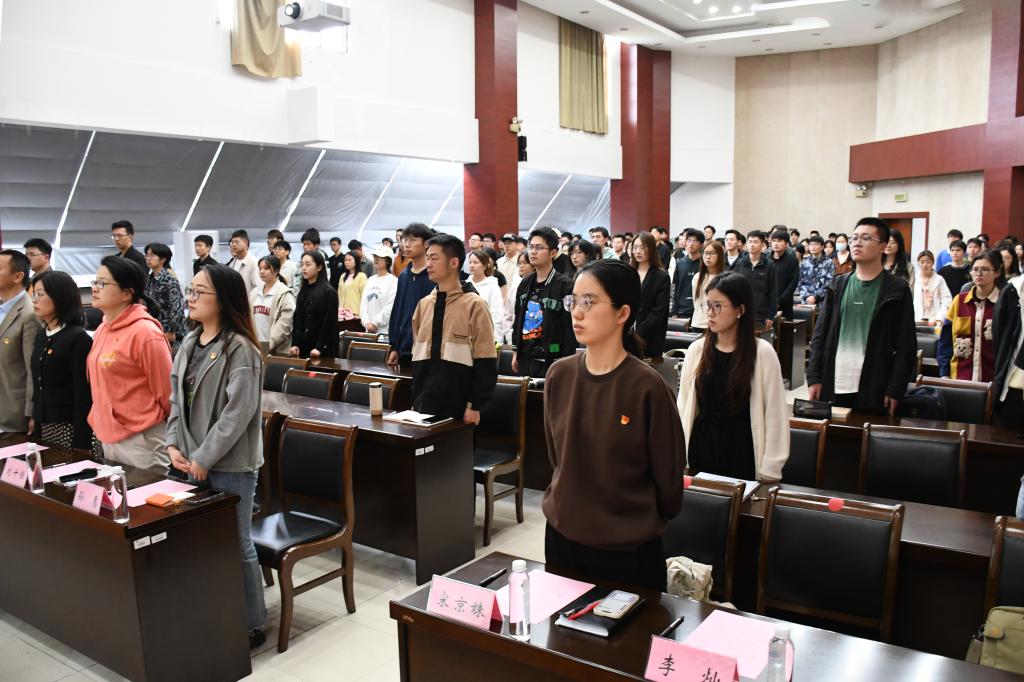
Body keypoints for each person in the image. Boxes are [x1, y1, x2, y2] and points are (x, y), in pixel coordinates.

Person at [543, 259, 685, 591]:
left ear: (622, 313)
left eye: (589, 302)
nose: (577, 312)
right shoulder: (559, 375)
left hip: (627, 549)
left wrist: (634, 518)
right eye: (574, 301)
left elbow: (668, 481)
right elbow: (557, 456)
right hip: (563, 537)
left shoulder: (647, 387)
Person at [165, 264, 267, 649]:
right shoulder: (190, 343)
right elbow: (176, 401)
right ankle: (210, 607)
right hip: (187, 460)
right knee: (198, 540)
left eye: (199, 292)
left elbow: (236, 414)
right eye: (190, 291)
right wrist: (172, 445)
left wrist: (204, 458)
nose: (190, 299)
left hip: (230, 464)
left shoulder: (241, 349)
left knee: (236, 542)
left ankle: (252, 622)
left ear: (222, 300)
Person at [678, 272, 789, 481]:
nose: (710, 313)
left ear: (740, 310)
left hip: (742, 450)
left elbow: (775, 414)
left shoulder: (762, 353)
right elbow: (683, 405)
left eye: (718, 306)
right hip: (701, 447)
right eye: (708, 305)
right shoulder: (697, 350)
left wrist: (770, 467)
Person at [807, 218, 916, 416]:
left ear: (882, 246)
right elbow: (819, 335)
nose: (857, 243)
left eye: (866, 238)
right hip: (834, 379)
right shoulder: (837, 285)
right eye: (854, 238)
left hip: (875, 383)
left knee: (867, 433)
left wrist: (896, 388)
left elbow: (906, 344)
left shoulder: (897, 289)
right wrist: (814, 377)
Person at [87, 256, 173, 473]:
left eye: (102, 283)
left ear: (126, 293)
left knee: (145, 493)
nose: (95, 288)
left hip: (141, 437)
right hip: (109, 433)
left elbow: (166, 392)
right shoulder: (102, 329)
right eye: (95, 282)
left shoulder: (145, 333)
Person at [409, 234, 497, 421]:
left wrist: (474, 405)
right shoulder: (424, 305)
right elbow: (416, 355)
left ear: (454, 262)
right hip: (423, 404)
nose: (428, 264)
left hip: (460, 407)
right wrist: (416, 399)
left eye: (434, 258)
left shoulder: (475, 305)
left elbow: (486, 360)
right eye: (427, 258)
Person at [29, 271, 98, 453]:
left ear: (59, 297)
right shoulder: (42, 334)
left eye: (39, 294)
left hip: (69, 428)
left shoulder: (78, 338)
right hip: (44, 427)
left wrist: (81, 442)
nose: (34, 300)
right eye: (33, 294)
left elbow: (83, 395)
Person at [512, 227, 576, 378]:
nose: (533, 252)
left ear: (553, 253)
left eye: (539, 248)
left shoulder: (565, 285)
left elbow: (569, 326)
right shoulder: (525, 283)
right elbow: (518, 318)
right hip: (525, 356)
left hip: (553, 355)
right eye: (531, 247)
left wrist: (566, 359)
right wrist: (515, 351)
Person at [936, 250, 1001, 382]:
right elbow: (945, 340)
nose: (979, 273)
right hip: (960, 375)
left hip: (992, 377)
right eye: (975, 269)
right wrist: (944, 373)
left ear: (997, 273)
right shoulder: (959, 301)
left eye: (985, 269)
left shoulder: (1003, 303)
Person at [0, 250, 40, 433]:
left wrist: (31, 412)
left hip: (14, 412)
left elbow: (32, 368)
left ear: (17, 276)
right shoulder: (3, 308)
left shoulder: (29, 314)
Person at [387, 223, 436, 366]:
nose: (406, 244)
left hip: (428, 349)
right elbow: (398, 310)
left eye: (413, 240)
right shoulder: (404, 276)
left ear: (426, 243)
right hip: (404, 347)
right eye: (405, 240)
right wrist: (394, 346)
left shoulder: (434, 276)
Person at [629, 232, 670, 359]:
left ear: (651, 249)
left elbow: (658, 311)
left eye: (642, 247)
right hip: (626, 334)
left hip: (649, 336)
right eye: (635, 247)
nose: (638, 251)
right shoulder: (628, 272)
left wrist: (638, 334)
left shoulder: (661, 276)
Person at [289, 251, 337, 360]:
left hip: (322, 350)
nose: (304, 268)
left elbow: (329, 323)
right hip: (303, 347)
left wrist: (319, 347)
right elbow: (297, 319)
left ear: (319, 267)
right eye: (302, 264)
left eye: (308, 264)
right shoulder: (303, 291)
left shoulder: (329, 292)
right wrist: (295, 344)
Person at [144, 243, 188, 349]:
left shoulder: (170, 280)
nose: (148, 258)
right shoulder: (148, 280)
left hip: (172, 332)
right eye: (147, 255)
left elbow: (177, 307)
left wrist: (172, 330)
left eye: (152, 255)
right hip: (154, 328)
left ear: (163, 259)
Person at [250, 255, 295, 356]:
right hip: (255, 346)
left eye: (266, 268)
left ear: (276, 271)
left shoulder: (284, 293)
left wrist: (270, 344)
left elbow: (285, 323)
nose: (262, 271)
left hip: (277, 350)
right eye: (260, 268)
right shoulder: (254, 292)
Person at [735, 230, 778, 328]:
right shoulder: (740, 263)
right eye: (750, 242)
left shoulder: (769, 265)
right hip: (741, 313)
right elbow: (735, 289)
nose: (752, 245)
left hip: (760, 315)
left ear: (762, 245)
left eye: (755, 242)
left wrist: (771, 315)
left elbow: (773, 292)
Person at [467, 249, 507, 342]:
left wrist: (496, 339)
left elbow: (497, 314)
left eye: (476, 262)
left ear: (485, 266)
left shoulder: (492, 285)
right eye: (470, 262)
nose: (472, 265)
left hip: (485, 334)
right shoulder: (466, 284)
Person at [360, 246, 398, 335]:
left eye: (380, 257)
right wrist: (366, 322)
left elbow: (391, 306)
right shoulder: (370, 280)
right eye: (375, 257)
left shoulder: (393, 281)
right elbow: (363, 304)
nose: (376, 259)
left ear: (388, 261)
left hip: (384, 332)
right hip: (368, 331)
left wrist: (375, 323)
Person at [689, 240, 726, 333]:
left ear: (719, 255)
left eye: (712, 253)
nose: (708, 257)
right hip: (698, 323)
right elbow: (696, 301)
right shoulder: (697, 277)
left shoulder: (725, 278)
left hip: (718, 324)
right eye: (705, 253)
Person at [671, 228, 704, 318]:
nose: (691, 244)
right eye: (689, 240)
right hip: (682, 309)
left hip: (700, 308)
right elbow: (676, 287)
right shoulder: (680, 263)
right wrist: (674, 310)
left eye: (695, 241)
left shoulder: (705, 263)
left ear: (701, 244)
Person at [913, 250, 952, 324]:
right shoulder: (914, 279)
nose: (925, 265)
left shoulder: (939, 279)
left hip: (934, 319)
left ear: (933, 263)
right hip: (916, 318)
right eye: (922, 262)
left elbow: (947, 300)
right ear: (918, 263)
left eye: (928, 262)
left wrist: (939, 318)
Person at [769, 228, 800, 319]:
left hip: (785, 304)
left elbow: (793, 283)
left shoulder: (792, 260)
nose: (776, 243)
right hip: (767, 304)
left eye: (779, 241)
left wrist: (779, 301)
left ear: (786, 244)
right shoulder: (766, 259)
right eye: (774, 241)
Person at [797, 235, 835, 306]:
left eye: (816, 244)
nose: (813, 247)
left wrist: (815, 296)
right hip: (806, 300)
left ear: (822, 247)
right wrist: (807, 296)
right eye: (811, 244)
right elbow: (800, 283)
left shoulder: (829, 263)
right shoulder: (804, 263)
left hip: (823, 301)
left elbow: (829, 283)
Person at [337, 252, 368, 326]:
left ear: (356, 261)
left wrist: (362, 314)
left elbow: (364, 297)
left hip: (356, 314)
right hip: (342, 314)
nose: (347, 262)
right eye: (345, 260)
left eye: (349, 260)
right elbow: (339, 295)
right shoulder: (342, 276)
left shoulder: (362, 276)